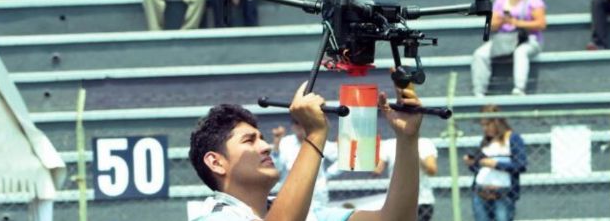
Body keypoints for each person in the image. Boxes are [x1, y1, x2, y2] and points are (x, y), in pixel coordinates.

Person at [187, 80, 424, 221]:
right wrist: (315, 135)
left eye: (261, 137)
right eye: (249, 140)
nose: (266, 145)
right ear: (216, 162)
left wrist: (407, 139)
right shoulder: (213, 217)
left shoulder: (308, 213)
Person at [471, 0, 546, 97]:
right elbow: (492, 25)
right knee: (479, 54)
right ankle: (479, 92)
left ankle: (519, 88)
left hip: (528, 39)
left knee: (520, 52)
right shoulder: (501, 0)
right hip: (504, 39)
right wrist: (501, 20)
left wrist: (516, 23)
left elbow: (541, 24)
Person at [464, 105, 527, 221]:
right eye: (482, 125)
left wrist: (495, 164)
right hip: (481, 193)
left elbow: (521, 165)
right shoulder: (485, 142)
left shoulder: (513, 138)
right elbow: (480, 169)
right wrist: (472, 163)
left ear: (497, 122)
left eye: (488, 124)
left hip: (503, 194)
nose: (485, 129)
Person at [270, 118, 339, 210]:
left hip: (316, 195)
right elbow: (276, 168)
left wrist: (328, 174)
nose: (300, 127)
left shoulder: (319, 141)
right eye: (297, 123)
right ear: (292, 126)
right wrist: (276, 145)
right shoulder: (284, 143)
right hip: (290, 194)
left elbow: (342, 158)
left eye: (304, 123)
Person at [374, 137, 438, 221]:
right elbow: (377, 170)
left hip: (421, 201)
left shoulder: (425, 143)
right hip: (396, 202)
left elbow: (432, 170)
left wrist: (415, 156)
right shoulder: (389, 144)